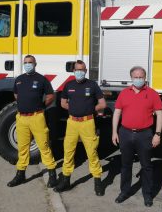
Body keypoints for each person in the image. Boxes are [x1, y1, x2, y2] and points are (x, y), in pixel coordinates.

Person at [112, 66, 162, 207]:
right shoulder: (124, 93)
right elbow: (117, 112)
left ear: (145, 77)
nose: (138, 79)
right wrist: (114, 132)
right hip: (125, 133)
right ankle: (124, 192)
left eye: (141, 77)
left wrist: (157, 134)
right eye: (136, 76)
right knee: (125, 165)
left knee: (146, 165)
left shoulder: (152, 93)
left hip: (145, 134)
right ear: (131, 78)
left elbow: (160, 114)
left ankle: (147, 195)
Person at [54, 60, 106, 196]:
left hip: (88, 123)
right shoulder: (68, 85)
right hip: (72, 123)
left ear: (86, 71)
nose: (79, 72)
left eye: (82, 70)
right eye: (77, 70)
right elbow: (63, 102)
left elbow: (102, 104)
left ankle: (98, 182)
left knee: (92, 152)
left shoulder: (92, 85)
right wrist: (75, 109)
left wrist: (90, 109)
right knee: (68, 152)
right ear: (74, 71)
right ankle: (65, 181)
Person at [7, 55, 58, 188]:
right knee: (22, 148)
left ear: (35, 64)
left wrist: (41, 106)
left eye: (30, 62)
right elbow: (16, 95)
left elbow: (51, 95)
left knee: (44, 146)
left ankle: (52, 174)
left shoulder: (41, 79)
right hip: (22, 118)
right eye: (26, 62)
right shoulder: (19, 80)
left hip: (37, 117)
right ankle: (20, 175)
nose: (28, 64)